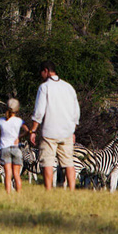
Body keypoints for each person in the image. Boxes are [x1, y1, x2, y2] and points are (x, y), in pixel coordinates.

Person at [28, 60, 80, 191]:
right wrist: (73, 130)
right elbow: (76, 111)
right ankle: (72, 190)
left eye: (42, 73)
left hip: (49, 131)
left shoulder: (44, 87)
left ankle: (49, 190)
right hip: (67, 132)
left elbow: (39, 111)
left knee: (48, 163)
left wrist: (33, 130)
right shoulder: (68, 87)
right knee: (68, 162)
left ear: (46, 71)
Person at [0, 98, 29, 194]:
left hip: (4, 147)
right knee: (16, 174)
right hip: (15, 148)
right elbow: (27, 130)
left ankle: (8, 193)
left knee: (8, 174)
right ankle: (18, 193)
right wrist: (19, 137)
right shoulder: (19, 121)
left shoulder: (1, 120)